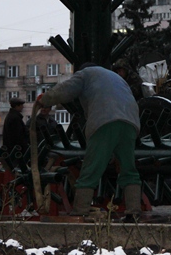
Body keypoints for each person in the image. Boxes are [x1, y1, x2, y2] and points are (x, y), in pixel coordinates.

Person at [35, 62, 142, 220]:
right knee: (128, 169)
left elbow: (66, 90)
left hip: (106, 121)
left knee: (91, 168)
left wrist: (46, 99)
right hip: (131, 123)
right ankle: (134, 211)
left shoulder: (85, 74)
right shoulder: (115, 78)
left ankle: (80, 210)